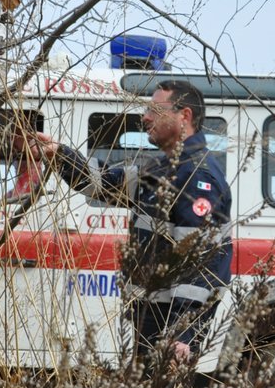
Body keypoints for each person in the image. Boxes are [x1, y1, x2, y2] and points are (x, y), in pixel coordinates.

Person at [35, 80, 232, 369]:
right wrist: (58, 153)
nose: (145, 117)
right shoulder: (163, 168)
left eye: (155, 109)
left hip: (167, 326)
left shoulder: (197, 176)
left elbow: (201, 263)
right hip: (149, 318)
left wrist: (183, 335)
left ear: (184, 116)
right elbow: (102, 184)